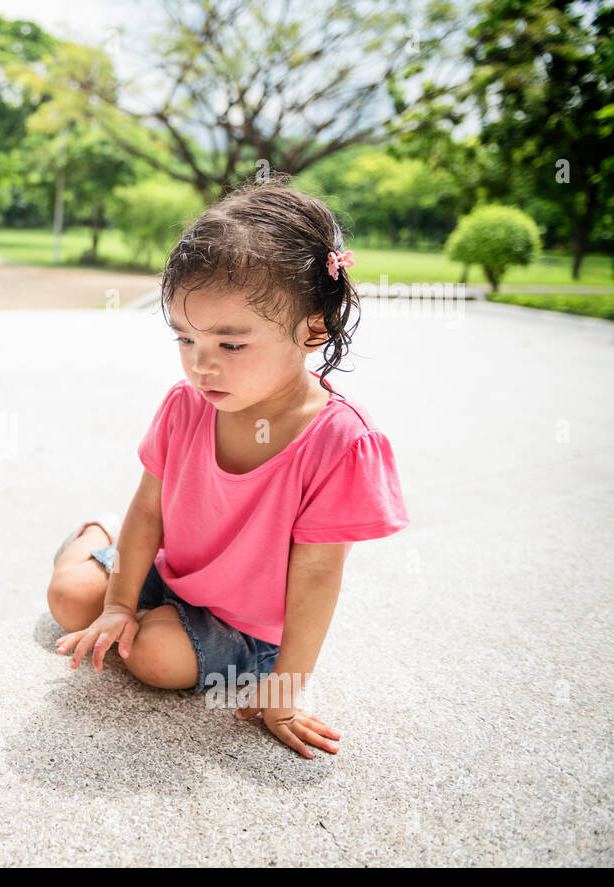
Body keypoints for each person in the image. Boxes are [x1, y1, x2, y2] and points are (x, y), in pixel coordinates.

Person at [47, 175, 409, 759]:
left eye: (230, 345)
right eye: (185, 340)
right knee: (71, 598)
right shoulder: (184, 405)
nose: (201, 366)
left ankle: (143, 599)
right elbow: (149, 510)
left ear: (313, 327)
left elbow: (317, 579)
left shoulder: (339, 442)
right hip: (173, 567)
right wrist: (117, 604)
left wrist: (285, 690)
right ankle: (98, 535)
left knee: (155, 659)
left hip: (244, 622)